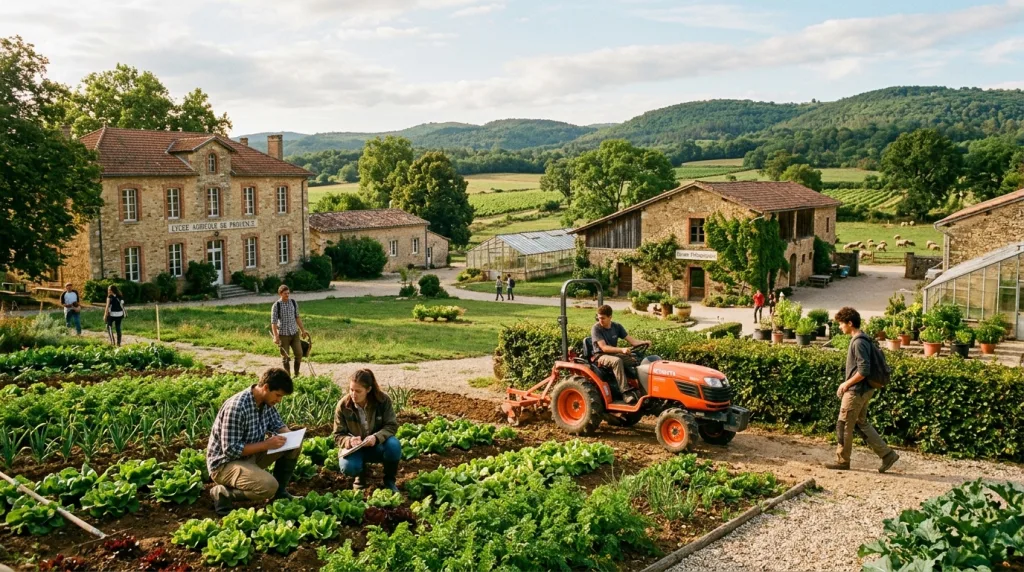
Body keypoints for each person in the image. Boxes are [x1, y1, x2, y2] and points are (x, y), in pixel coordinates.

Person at [206, 367, 302, 516]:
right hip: (225, 464)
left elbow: (277, 425)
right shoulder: (237, 407)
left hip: (250, 456)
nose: (279, 400)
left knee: (294, 445)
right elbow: (231, 450)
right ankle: (224, 493)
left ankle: (280, 493)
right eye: (278, 395)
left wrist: (290, 436)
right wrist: (266, 445)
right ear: (266, 387)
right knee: (269, 486)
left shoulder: (266, 402)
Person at [825, 307, 899, 473]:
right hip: (864, 390)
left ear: (850, 323)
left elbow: (863, 370)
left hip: (856, 391)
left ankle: (842, 460)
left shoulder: (858, 342)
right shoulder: (864, 338)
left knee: (843, 425)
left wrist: (846, 384)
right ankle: (887, 455)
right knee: (861, 423)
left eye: (841, 323)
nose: (840, 327)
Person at [333, 369, 401, 492]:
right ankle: (360, 476)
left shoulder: (382, 401)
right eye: (351, 390)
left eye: (358, 391)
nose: (353, 394)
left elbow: (391, 425)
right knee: (348, 467)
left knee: (394, 446)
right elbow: (338, 435)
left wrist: (376, 437)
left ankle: (389, 481)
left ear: (368, 389)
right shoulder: (343, 405)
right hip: (355, 448)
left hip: (377, 445)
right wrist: (349, 440)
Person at [591, 305, 650, 404]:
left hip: (613, 354)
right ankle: (625, 392)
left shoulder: (617, 327)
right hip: (600, 356)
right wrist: (621, 349)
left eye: (603, 318)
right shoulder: (596, 328)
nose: (600, 320)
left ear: (610, 317)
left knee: (635, 359)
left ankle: (643, 389)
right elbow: (604, 348)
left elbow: (633, 342)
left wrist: (644, 342)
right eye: (599, 318)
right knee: (617, 361)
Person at [271, 284, 308, 376]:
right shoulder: (276, 305)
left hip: (294, 333)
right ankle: (288, 376)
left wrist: (302, 330)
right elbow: (273, 323)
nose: (287, 295)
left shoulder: (293, 303)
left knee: (299, 353)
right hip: (283, 334)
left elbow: (297, 317)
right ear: (280, 294)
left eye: (288, 293)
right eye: (285, 293)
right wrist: (276, 336)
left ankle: (296, 374)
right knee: (285, 357)